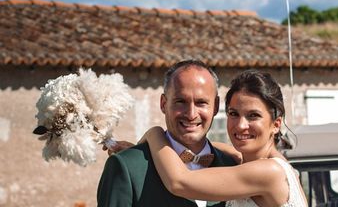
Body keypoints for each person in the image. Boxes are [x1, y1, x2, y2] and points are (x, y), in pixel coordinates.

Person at [139, 69, 307, 207]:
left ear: (276, 124)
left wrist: (154, 135)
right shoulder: (268, 162)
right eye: (234, 113)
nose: (241, 125)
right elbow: (217, 148)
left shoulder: (269, 172)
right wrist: (142, 152)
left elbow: (179, 182)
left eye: (253, 116)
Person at [97, 59, 238, 207]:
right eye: (180, 101)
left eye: (201, 102)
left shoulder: (233, 165)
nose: (191, 114)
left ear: (215, 106)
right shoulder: (127, 166)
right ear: (164, 104)